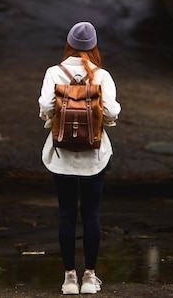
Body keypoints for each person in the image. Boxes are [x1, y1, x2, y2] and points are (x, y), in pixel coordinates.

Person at [38, 21, 121, 295]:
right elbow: (109, 112)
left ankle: (69, 278)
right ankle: (89, 277)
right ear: (94, 46)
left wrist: (52, 117)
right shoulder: (102, 75)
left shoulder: (54, 72)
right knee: (91, 214)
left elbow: (46, 106)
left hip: (61, 154)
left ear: (69, 44)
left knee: (66, 214)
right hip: (94, 154)